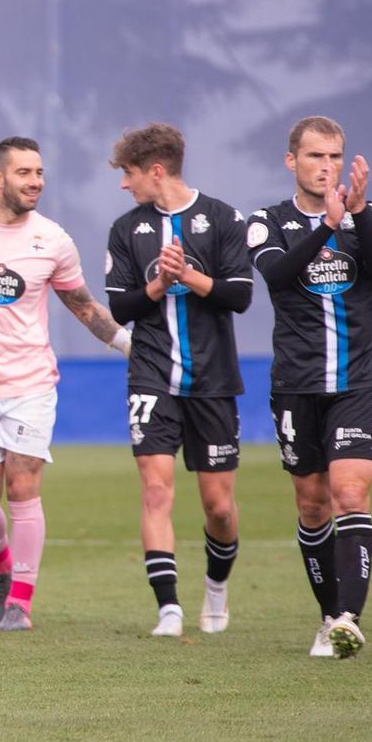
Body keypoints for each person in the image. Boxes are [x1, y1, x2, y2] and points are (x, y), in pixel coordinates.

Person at [0, 137, 129, 633]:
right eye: (25, 173)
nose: (36, 183)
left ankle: (21, 602)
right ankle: (3, 567)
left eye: (40, 173)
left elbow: (85, 307)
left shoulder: (53, 240)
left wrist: (131, 347)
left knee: (23, 486)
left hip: (31, 385)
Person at [249, 116, 372, 659]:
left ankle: (348, 620)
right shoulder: (266, 221)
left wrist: (352, 216)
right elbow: (279, 275)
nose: (326, 166)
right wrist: (327, 228)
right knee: (312, 505)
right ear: (292, 161)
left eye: (335, 157)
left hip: (356, 381)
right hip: (295, 384)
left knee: (350, 493)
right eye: (315, 157)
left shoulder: (371, 213)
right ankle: (328, 615)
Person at [104, 123, 253, 638]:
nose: (124, 184)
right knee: (155, 491)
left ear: (156, 171)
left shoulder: (223, 218)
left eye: (129, 173)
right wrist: (158, 284)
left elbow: (239, 296)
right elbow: (119, 306)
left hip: (212, 380)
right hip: (150, 376)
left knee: (218, 506)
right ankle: (168, 608)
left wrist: (186, 275)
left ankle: (216, 586)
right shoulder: (126, 230)